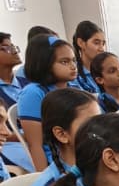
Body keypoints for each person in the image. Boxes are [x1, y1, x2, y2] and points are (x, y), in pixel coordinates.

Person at [15, 88, 98, 186]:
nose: (101, 130)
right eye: (90, 124)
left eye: (101, 121)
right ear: (62, 134)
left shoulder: (106, 172)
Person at [17, 35, 77, 172]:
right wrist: (44, 181)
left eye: (73, 60)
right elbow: (35, 145)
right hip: (57, 163)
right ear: (45, 64)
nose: (73, 66)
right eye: (64, 62)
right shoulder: (33, 93)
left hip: (79, 154)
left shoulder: (74, 88)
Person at [69, 20, 106, 95]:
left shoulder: (106, 70)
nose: (102, 49)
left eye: (103, 43)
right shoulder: (73, 73)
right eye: (96, 43)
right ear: (81, 43)